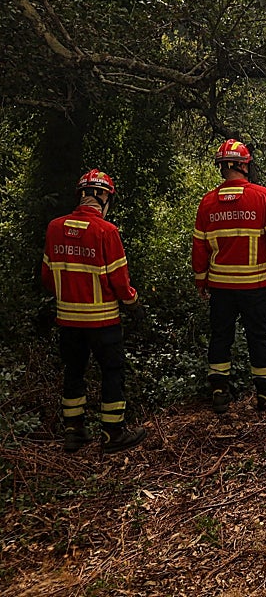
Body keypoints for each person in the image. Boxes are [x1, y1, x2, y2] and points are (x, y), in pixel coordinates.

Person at [41, 170, 147, 453]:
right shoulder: (106, 232)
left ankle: (73, 432)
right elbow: (120, 282)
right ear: (103, 197)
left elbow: (48, 277)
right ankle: (113, 434)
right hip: (103, 322)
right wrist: (134, 304)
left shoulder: (54, 228)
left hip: (67, 320)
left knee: (74, 372)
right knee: (112, 372)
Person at [192, 139, 266, 414]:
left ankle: (219, 393)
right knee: (258, 336)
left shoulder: (208, 202)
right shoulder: (261, 197)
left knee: (220, 336)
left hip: (220, 286)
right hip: (255, 284)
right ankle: (264, 392)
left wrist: (201, 281)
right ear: (244, 165)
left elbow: (199, 248)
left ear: (222, 168)